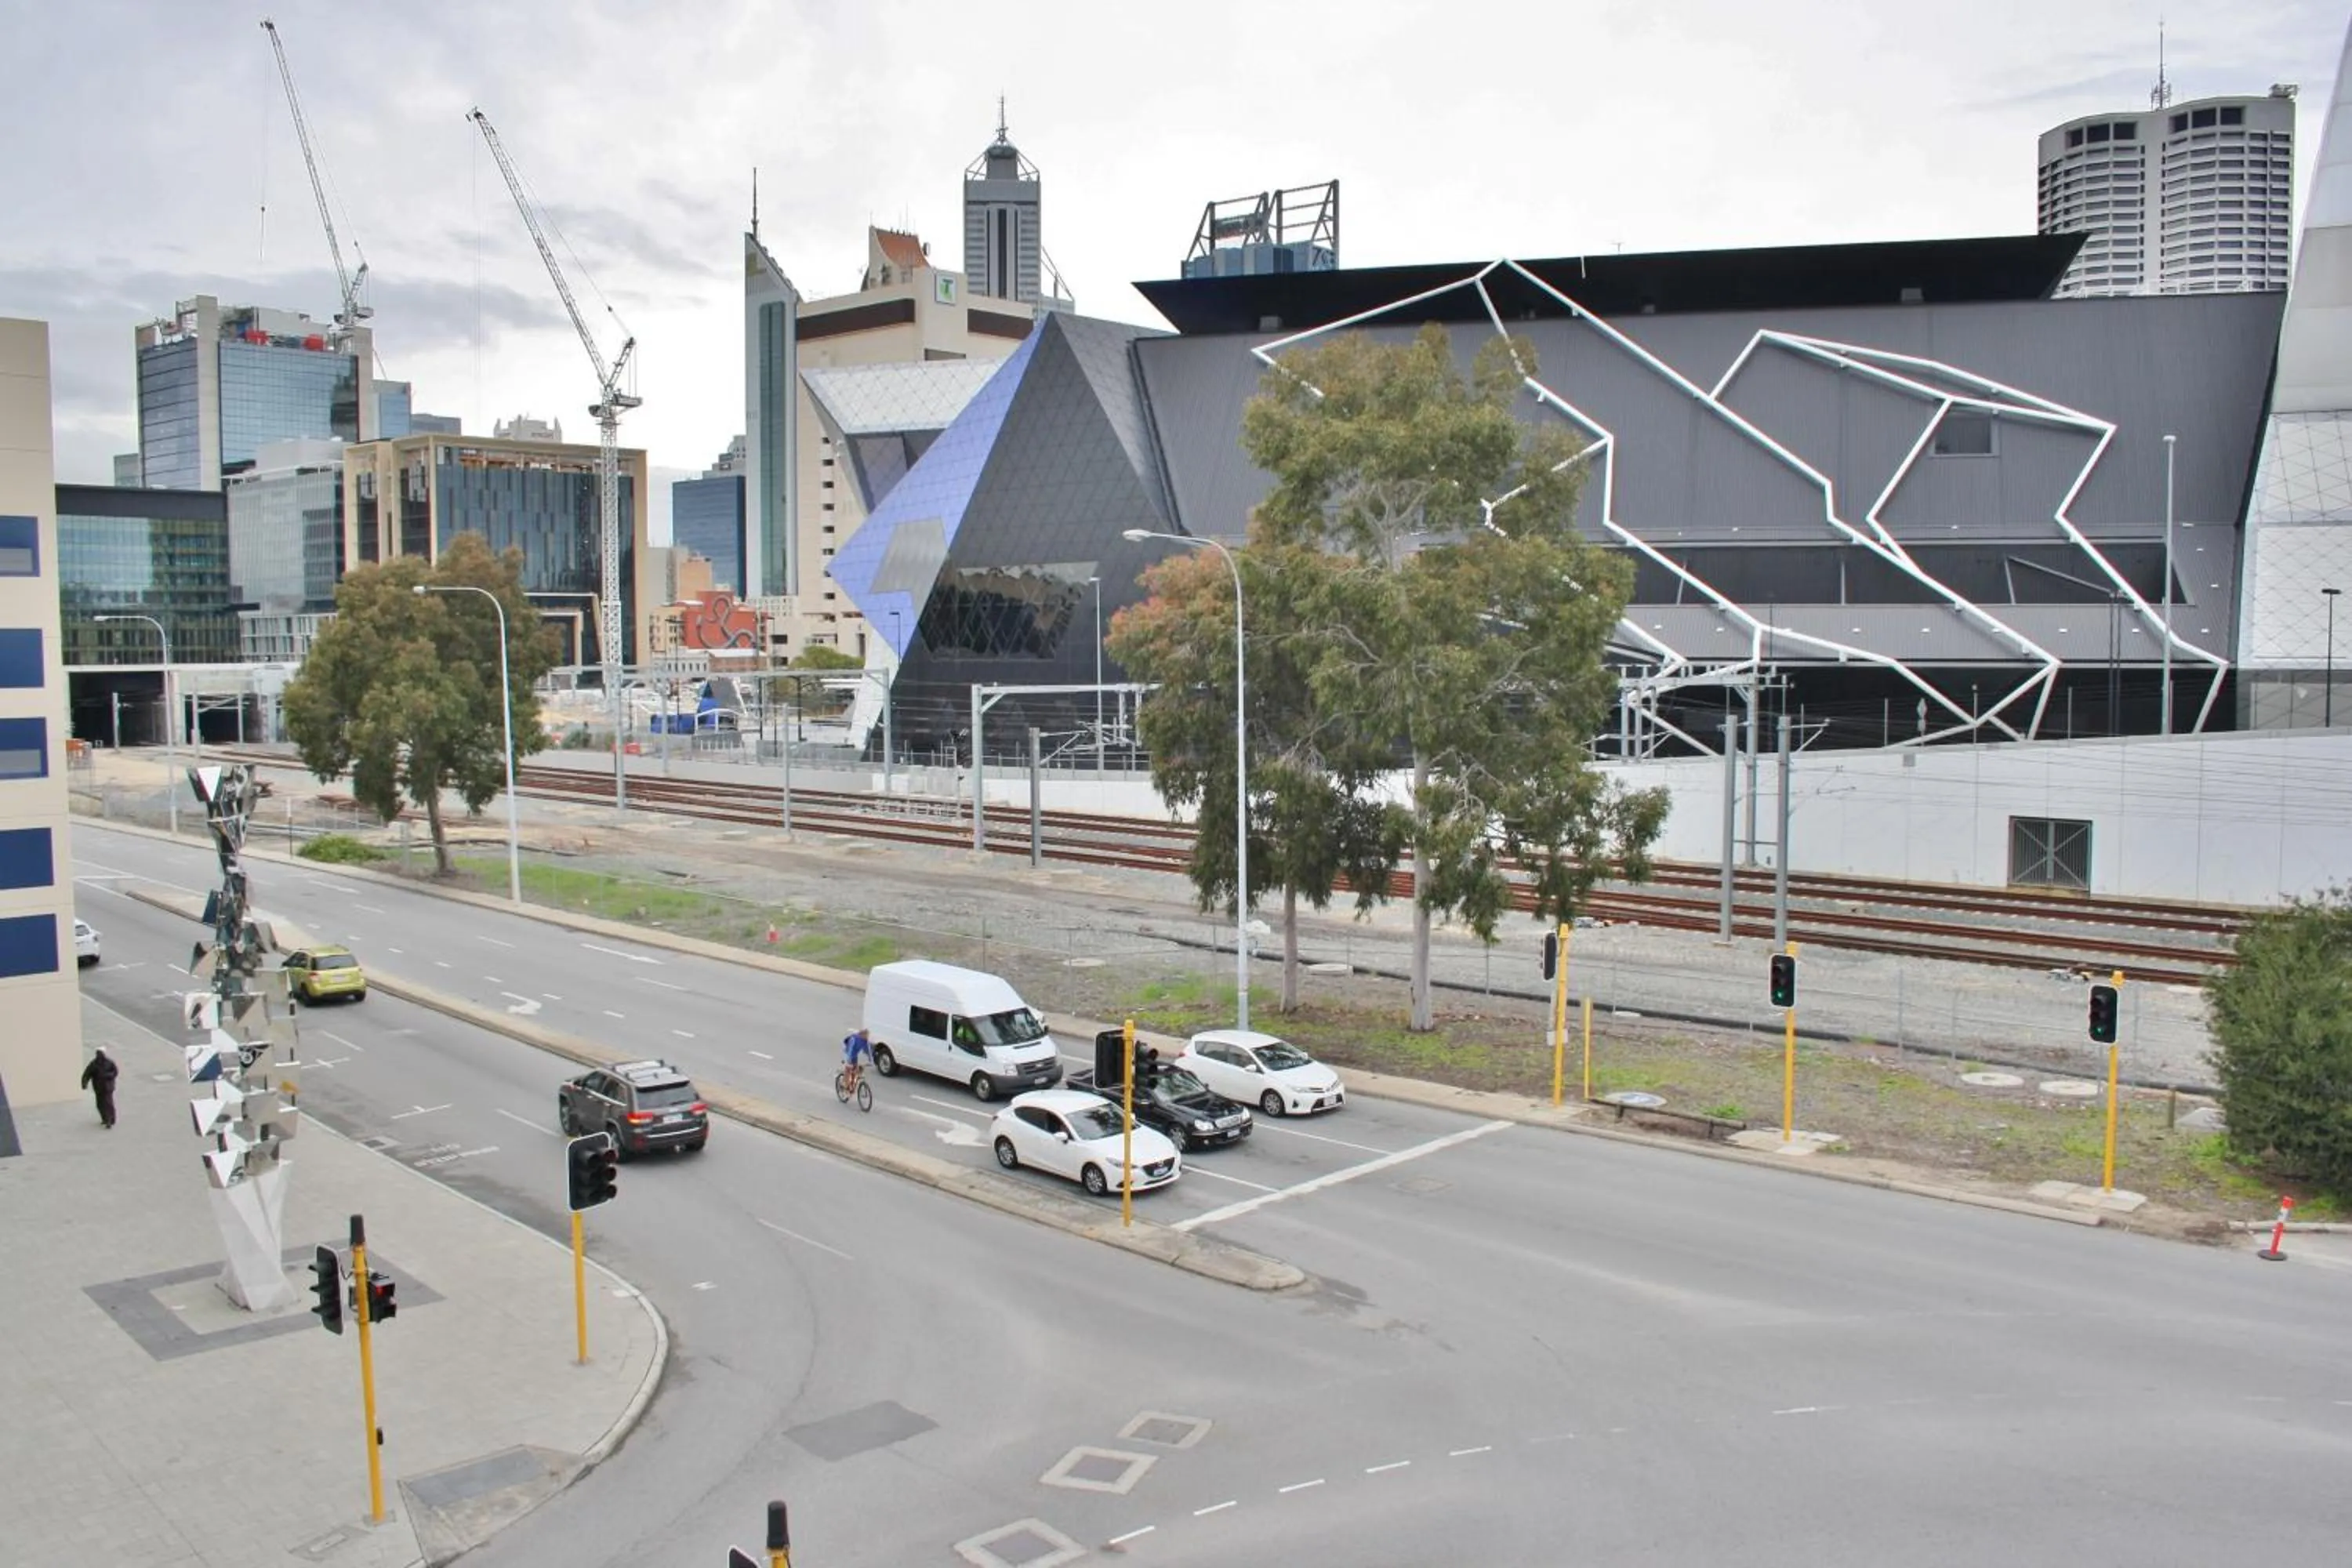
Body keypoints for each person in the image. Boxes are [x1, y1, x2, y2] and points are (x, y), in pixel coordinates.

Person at [81, 1046, 119, 1130]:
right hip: (98, 1087)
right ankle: (105, 1119)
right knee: (100, 1104)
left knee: (108, 1103)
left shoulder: (109, 1063)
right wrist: (84, 1083)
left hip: (108, 1087)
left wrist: (108, 1076)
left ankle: (110, 1120)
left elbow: (115, 1072)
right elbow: (87, 1074)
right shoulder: (94, 1064)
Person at [840, 1028, 873, 1095]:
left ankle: (852, 1084)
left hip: (854, 1055)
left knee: (858, 1069)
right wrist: (848, 1061)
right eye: (866, 1035)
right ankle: (845, 1086)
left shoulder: (865, 1041)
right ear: (862, 1035)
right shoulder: (854, 1039)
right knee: (849, 1069)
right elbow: (850, 1049)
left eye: (868, 1036)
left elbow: (868, 1051)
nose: (867, 1037)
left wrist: (871, 1060)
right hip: (847, 1053)